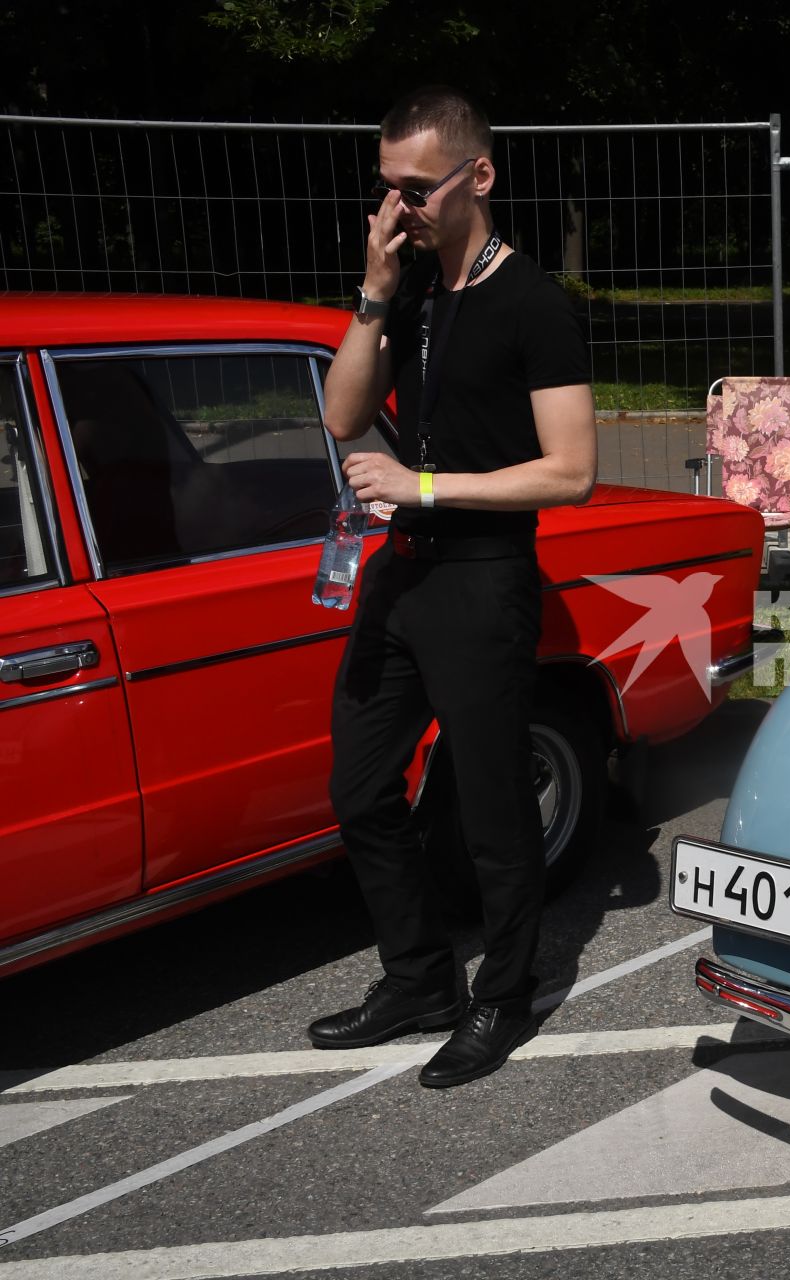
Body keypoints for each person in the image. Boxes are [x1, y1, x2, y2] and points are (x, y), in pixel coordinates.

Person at [310, 86, 596, 1088]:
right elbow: (346, 415)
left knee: (490, 811)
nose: (400, 207)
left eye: (417, 189)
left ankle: (504, 997)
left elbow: (571, 470)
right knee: (358, 788)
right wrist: (375, 286)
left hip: (484, 576)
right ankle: (420, 976)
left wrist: (423, 483)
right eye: (386, 190)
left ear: (479, 176)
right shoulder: (414, 288)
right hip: (406, 574)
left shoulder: (533, 304)